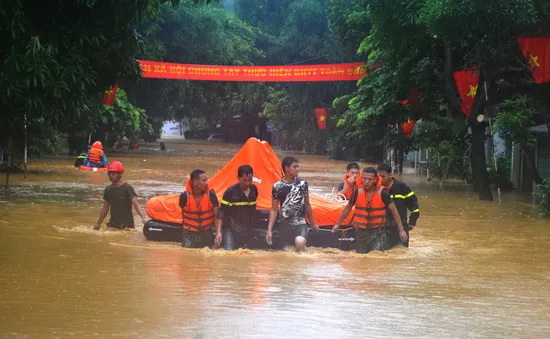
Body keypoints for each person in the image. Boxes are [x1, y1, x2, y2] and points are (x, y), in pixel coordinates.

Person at [332, 167, 407, 254]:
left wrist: (401, 230)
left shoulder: (383, 193)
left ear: (375, 179)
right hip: (361, 232)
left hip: (379, 232)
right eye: (364, 178)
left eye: (370, 179)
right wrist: (338, 224)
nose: (366, 181)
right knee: (361, 257)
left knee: (378, 256)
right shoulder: (357, 192)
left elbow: (394, 211)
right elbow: (348, 208)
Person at [266, 157, 319, 252]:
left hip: (300, 224)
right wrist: (269, 230)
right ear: (286, 168)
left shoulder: (303, 183)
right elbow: (274, 209)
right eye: (294, 167)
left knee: (299, 242)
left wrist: (313, 223)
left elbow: (307, 205)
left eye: (298, 167)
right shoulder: (277, 186)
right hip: (284, 225)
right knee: (287, 252)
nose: (297, 169)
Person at [93, 161, 147, 230]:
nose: (110, 176)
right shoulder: (108, 189)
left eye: (113, 173)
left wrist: (143, 218)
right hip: (112, 225)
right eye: (109, 173)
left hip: (127, 226)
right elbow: (105, 208)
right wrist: (98, 223)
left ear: (120, 174)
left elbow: (136, 204)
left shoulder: (127, 188)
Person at [215, 165, 258, 250]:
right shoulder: (230, 192)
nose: (247, 183)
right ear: (238, 178)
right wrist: (218, 232)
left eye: (250, 180)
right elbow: (221, 212)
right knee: (229, 254)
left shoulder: (254, 190)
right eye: (244, 180)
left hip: (247, 229)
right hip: (231, 230)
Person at [377, 164, 420, 248]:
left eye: (383, 176)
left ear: (390, 175)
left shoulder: (401, 187)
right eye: (379, 176)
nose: (381, 179)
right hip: (382, 227)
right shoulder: (376, 188)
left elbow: (414, 206)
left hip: (401, 226)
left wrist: (412, 223)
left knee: (402, 252)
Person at [179, 170, 219, 248]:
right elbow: (183, 214)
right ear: (195, 183)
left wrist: (218, 234)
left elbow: (216, 216)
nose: (207, 183)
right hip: (189, 233)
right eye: (204, 180)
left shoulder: (211, 195)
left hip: (206, 232)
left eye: (207, 179)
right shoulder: (184, 196)